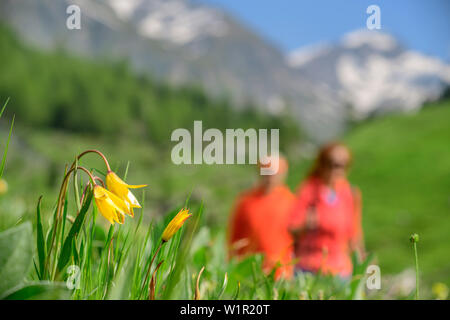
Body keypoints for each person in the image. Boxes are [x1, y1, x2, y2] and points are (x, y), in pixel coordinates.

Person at [288, 142, 364, 278]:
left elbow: (354, 232)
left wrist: (363, 259)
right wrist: (306, 224)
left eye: (342, 165)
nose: (337, 170)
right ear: (322, 164)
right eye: (332, 164)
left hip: (340, 268)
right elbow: (292, 227)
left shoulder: (350, 193)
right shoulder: (308, 190)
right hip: (309, 267)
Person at [227, 155, 295, 279]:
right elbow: (234, 236)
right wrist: (232, 263)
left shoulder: (291, 201)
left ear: (283, 174)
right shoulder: (245, 201)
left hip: (280, 271)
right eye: (266, 172)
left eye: (275, 172)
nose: (270, 177)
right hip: (249, 270)